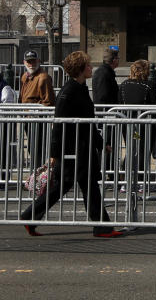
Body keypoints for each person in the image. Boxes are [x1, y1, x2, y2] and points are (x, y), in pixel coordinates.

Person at [21, 51, 123, 238]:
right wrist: (54, 153)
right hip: (72, 150)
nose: (91, 68)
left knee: (88, 186)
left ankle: (102, 227)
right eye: (88, 65)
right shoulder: (68, 92)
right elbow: (58, 125)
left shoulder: (80, 88)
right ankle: (29, 216)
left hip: (83, 148)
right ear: (80, 69)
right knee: (64, 187)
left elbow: (88, 122)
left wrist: (101, 143)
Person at [117, 59, 156, 189]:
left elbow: (119, 103)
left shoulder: (124, 85)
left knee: (131, 150)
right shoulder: (148, 85)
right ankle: (140, 181)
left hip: (128, 124)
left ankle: (126, 181)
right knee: (142, 150)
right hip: (144, 125)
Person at [19, 50, 55, 170]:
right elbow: (21, 97)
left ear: (38, 61)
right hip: (28, 118)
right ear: (24, 62)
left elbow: (48, 102)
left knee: (38, 149)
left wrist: (34, 111)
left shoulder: (43, 78)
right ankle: (36, 174)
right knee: (32, 148)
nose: (31, 64)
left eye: (33, 61)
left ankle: (38, 175)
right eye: (28, 61)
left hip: (38, 120)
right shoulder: (25, 76)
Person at [92, 48, 120, 154]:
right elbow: (103, 95)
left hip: (107, 114)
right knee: (107, 143)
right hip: (105, 114)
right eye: (118, 58)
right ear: (113, 60)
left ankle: (109, 165)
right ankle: (107, 167)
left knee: (110, 142)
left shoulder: (106, 72)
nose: (119, 60)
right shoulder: (104, 73)